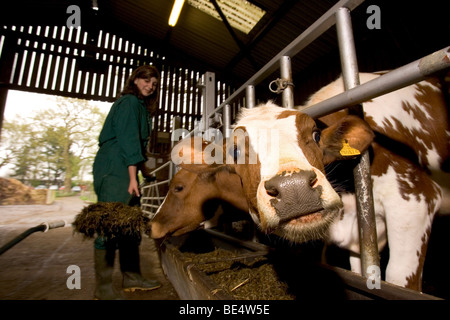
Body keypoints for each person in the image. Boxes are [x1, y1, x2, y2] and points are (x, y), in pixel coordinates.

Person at [92, 65, 161, 300]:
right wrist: (133, 177)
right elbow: (129, 140)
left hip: (127, 165)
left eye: (154, 82)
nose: (150, 85)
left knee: (130, 225)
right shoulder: (130, 103)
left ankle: (132, 277)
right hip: (114, 166)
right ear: (135, 80)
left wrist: (143, 171)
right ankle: (103, 288)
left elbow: (138, 147)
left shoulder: (141, 107)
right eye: (146, 79)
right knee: (110, 224)